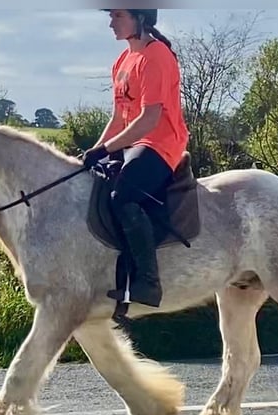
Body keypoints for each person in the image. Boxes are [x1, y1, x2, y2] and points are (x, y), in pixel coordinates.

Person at [82, 8, 189, 308]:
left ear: (139, 18)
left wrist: (106, 150)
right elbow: (119, 117)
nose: (111, 22)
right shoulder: (121, 61)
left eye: (118, 15)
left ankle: (148, 282)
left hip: (160, 143)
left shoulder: (157, 57)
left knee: (122, 196)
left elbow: (149, 118)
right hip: (133, 141)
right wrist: (95, 150)